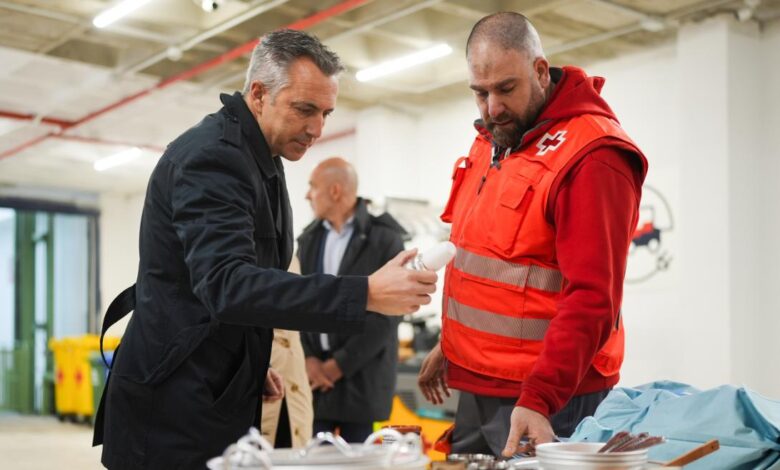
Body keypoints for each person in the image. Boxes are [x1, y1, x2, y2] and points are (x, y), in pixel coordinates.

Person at [93, 29, 437, 469]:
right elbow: (226, 285)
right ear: (258, 94)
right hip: (171, 410)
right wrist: (364, 292)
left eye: (327, 113)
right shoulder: (213, 158)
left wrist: (249, 365)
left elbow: (229, 288)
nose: (317, 129)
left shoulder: (259, 157)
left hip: (209, 389)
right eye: (305, 110)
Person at [417, 12, 648, 458]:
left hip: (548, 397)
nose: (492, 108)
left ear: (541, 71)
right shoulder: (495, 138)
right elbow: (485, 257)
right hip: (480, 381)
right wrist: (452, 344)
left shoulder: (592, 157)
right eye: (479, 93)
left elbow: (593, 298)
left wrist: (540, 397)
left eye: (506, 89)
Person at [298, 157, 406, 442]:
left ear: (335, 191)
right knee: (314, 460)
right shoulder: (307, 240)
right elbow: (299, 300)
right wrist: (308, 359)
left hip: (360, 379)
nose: (308, 195)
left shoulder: (385, 240)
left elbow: (388, 316)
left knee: (359, 459)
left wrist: (337, 366)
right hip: (314, 381)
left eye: (313, 187)